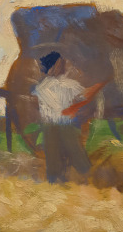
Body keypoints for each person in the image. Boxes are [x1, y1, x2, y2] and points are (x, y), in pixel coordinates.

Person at [32, 52, 92, 183]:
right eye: (58, 64)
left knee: (71, 149)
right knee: (56, 150)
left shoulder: (68, 84)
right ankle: (58, 178)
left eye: (61, 63)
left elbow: (85, 95)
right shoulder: (44, 87)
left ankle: (81, 174)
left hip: (62, 125)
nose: (62, 66)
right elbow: (59, 108)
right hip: (55, 125)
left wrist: (76, 107)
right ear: (51, 67)